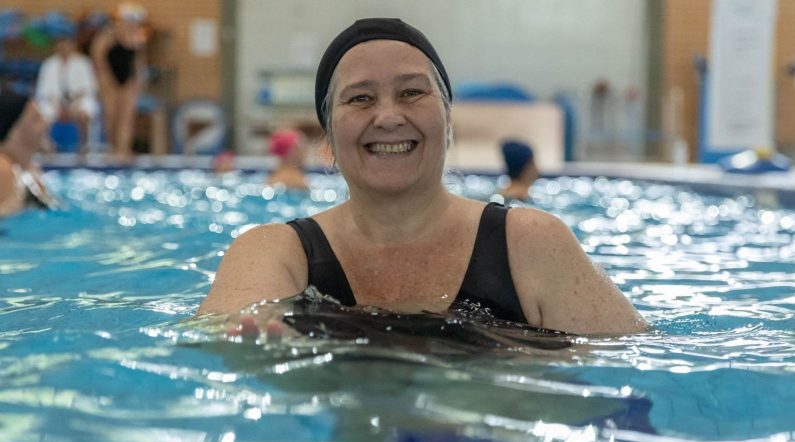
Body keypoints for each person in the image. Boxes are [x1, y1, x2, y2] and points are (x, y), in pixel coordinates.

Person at [198, 18, 646, 335]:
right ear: (329, 137)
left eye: (412, 92)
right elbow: (218, 353)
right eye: (360, 99)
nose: (389, 116)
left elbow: (634, 380)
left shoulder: (529, 244)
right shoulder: (274, 251)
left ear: (448, 122)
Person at [90, 2, 148, 159]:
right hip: (109, 79)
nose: (133, 24)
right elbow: (98, 55)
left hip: (127, 80)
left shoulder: (137, 36)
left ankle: (123, 149)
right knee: (111, 115)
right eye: (130, 20)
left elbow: (138, 60)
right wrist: (105, 79)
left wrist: (138, 79)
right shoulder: (109, 33)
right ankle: (112, 148)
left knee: (126, 117)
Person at [35, 21, 100, 152]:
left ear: (72, 45)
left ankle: (85, 145)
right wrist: (57, 104)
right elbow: (43, 92)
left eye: (66, 43)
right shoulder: (49, 64)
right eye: (60, 43)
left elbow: (89, 89)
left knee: (85, 111)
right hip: (54, 102)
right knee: (42, 113)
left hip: (78, 100)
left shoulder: (83, 63)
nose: (63, 46)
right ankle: (46, 146)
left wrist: (74, 103)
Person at [0, 92, 58, 216]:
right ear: (14, 131)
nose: (46, 122)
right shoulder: (4, 169)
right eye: (36, 118)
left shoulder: (29, 169)